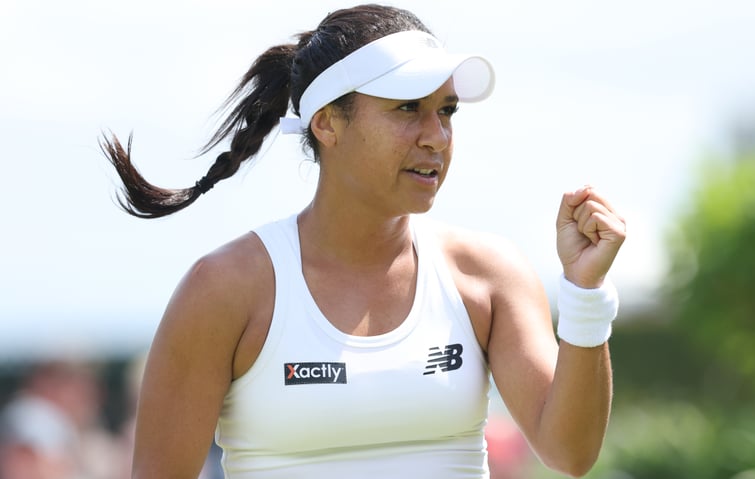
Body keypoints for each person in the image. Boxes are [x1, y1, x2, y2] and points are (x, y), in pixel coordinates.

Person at [100, 4, 626, 478]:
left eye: (446, 110)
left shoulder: (489, 274)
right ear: (327, 124)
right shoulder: (223, 289)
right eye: (406, 108)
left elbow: (570, 453)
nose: (436, 136)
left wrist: (585, 293)